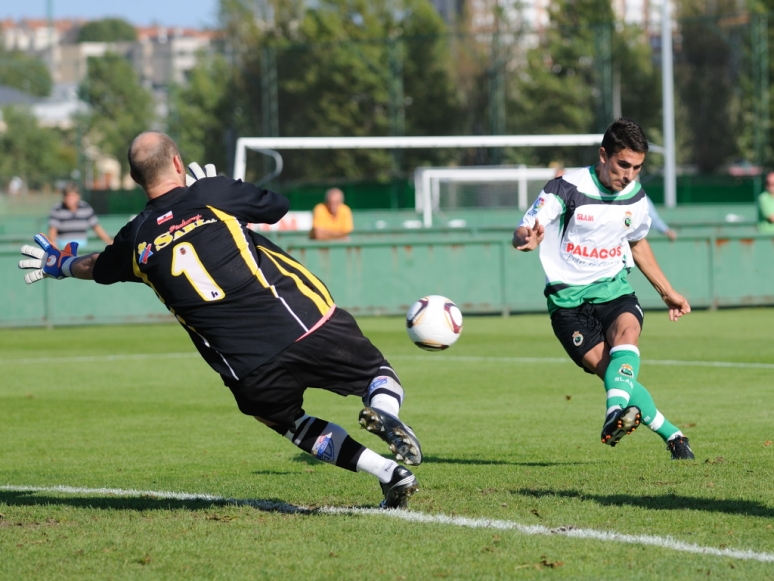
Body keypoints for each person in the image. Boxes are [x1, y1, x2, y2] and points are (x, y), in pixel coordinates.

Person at [18, 131, 422, 509]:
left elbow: (97, 266)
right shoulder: (210, 193)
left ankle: (388, 473)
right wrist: (231, 187)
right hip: (300, 322)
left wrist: (61, 264)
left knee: (288, 423)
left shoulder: (135, 237)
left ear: (133, 177)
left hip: (245, 366)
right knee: (376, 373)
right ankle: (384, 409)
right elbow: (277, 207)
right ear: (178, 161)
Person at [512, 118, 695, 460]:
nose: (628, 175)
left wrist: (666, 291)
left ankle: (613, 415)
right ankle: (674, 436)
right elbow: (523, 230)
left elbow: (638, 244)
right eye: (623, 164)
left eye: (637, 168)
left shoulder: (636, 198)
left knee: (628, 333)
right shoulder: (564, 187)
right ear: (603, 155)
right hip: (567, 302)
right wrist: (528, 239)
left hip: (614, 289)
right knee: (612, 372)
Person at [48, 183, 114, 248]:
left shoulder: (85, 207)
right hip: (63, 248)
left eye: (72, 196)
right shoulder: (57, 209)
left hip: (83, 248)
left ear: (78, 196)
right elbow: (53, 230)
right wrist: (53, 244)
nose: (70, 199)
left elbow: (96, 227)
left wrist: (108, 241)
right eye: (67, 196)